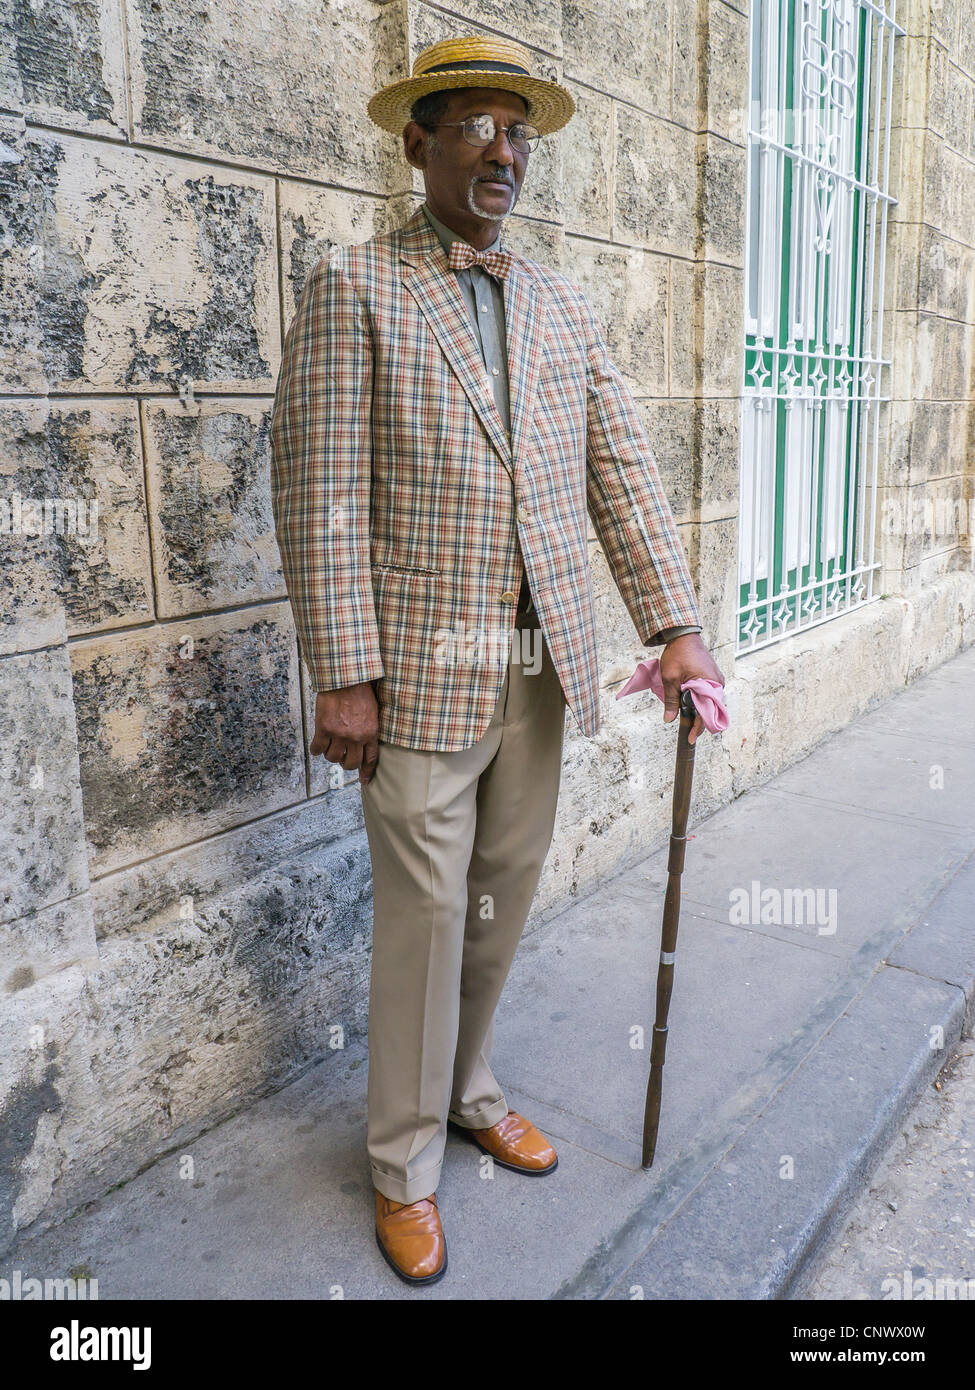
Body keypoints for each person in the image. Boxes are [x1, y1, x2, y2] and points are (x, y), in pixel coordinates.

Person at [269, 33, 725, 1286]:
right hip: (414, 673)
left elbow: (619, 472)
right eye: (473, 126)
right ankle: (401, 1163)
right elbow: (319, 497)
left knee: (496, 900)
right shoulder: (356, 289)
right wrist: (346, 673)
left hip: (540, 664)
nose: (501, 152)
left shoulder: (565, 304)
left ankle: (468, 1088)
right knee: (424, 914)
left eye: (516, 132)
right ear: (417, 142)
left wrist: (673, 629)